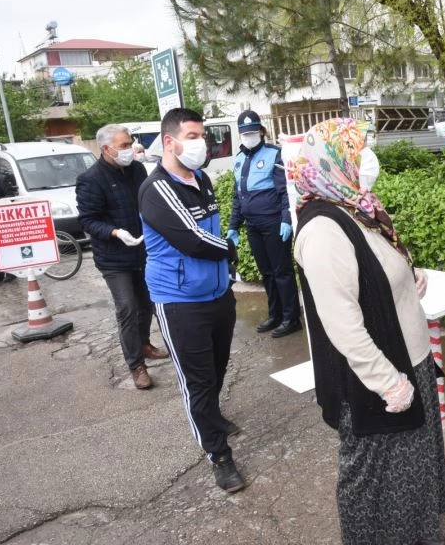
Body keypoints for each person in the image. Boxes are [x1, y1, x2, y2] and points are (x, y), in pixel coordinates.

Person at [292, 118, 445, 545]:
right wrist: (387, 380)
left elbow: (377, 266)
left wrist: (405, 277)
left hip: (409, 357)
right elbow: (341, 321)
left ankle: (416, 531)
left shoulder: (355, 206)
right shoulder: (322, 229)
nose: (368, 160)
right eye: (359, 151)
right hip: (374, 376)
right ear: (336, 162)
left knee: (413, 460)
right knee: (374, 474)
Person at [138, 107, 244, 493]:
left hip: (217, 294)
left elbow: (208, 229)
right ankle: (219, 456)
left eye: (203, 136)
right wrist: (231, 248)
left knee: (216, 369)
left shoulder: (201, 178)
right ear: (170, 142)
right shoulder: (156, 189)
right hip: (180, 301)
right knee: (197, 381)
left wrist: (226, 270)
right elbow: (193, 241)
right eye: (194, 136)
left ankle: (212, 416)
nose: (203, 143)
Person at [76, 124, 168, 390]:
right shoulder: (90, 179)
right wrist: (115, 232)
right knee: (127, 306)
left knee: (147, 302)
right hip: (114, 258)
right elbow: (88, 220)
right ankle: (136, 365)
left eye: (130, 143)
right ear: (106, 149)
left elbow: (148, 201)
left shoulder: (137, 170)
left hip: (142, 250)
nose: (130, 149)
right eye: (124, 146)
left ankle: (144, 344)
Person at [226, 110, 301, 338]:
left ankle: (291, 318)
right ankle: (275, 314)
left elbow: (284, 192)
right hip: (253, 226)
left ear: (261, 131)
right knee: (267, 273)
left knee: (282, 272)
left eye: (253, 132)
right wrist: (233, 225)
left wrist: (286, 219)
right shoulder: (238, 160)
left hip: (274, 222)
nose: (249, 136)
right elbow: (238, 196)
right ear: (240, 135)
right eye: (245, 133)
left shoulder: (274, 154)